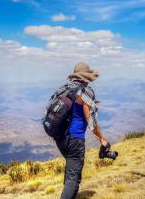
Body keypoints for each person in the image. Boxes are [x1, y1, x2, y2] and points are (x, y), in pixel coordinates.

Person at [53, 62, 110, 199]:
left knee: (72, 172)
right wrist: (102, 139)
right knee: (74, 178)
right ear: (86, 76)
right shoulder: (85, 91)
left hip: (60, 137)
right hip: (75, 138)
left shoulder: (65, 88)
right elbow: (91, 121)